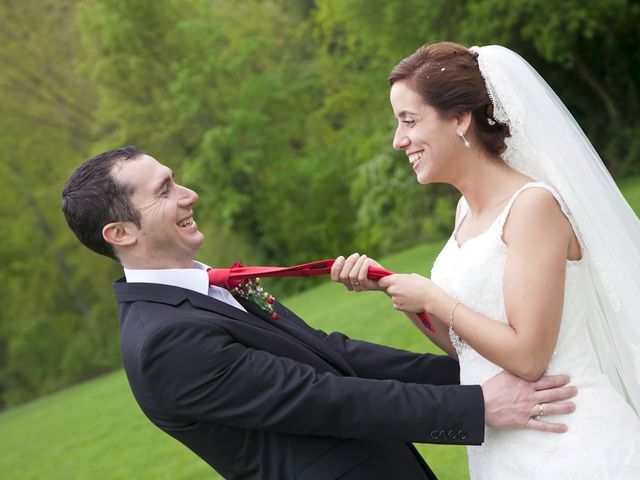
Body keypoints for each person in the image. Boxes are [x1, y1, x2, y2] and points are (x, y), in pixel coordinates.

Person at [61, 146, 577, 480]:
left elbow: (332, 355)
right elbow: (322, 397)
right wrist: (476, 405)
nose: (189, 194)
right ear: (121, 233)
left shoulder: (207, 287)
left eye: (175, 180)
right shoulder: (164, 343)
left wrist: (480, 371)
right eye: (164, 191)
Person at [332, 42, 640, 479]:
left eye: (409, 121)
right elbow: (470, 349)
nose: (398, 140)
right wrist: (399, 292)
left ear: (460, 119)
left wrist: (434, 299)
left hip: (570, 445)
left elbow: (529, 357)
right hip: (505, 447)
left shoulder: (532, 207)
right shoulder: (465, 212)